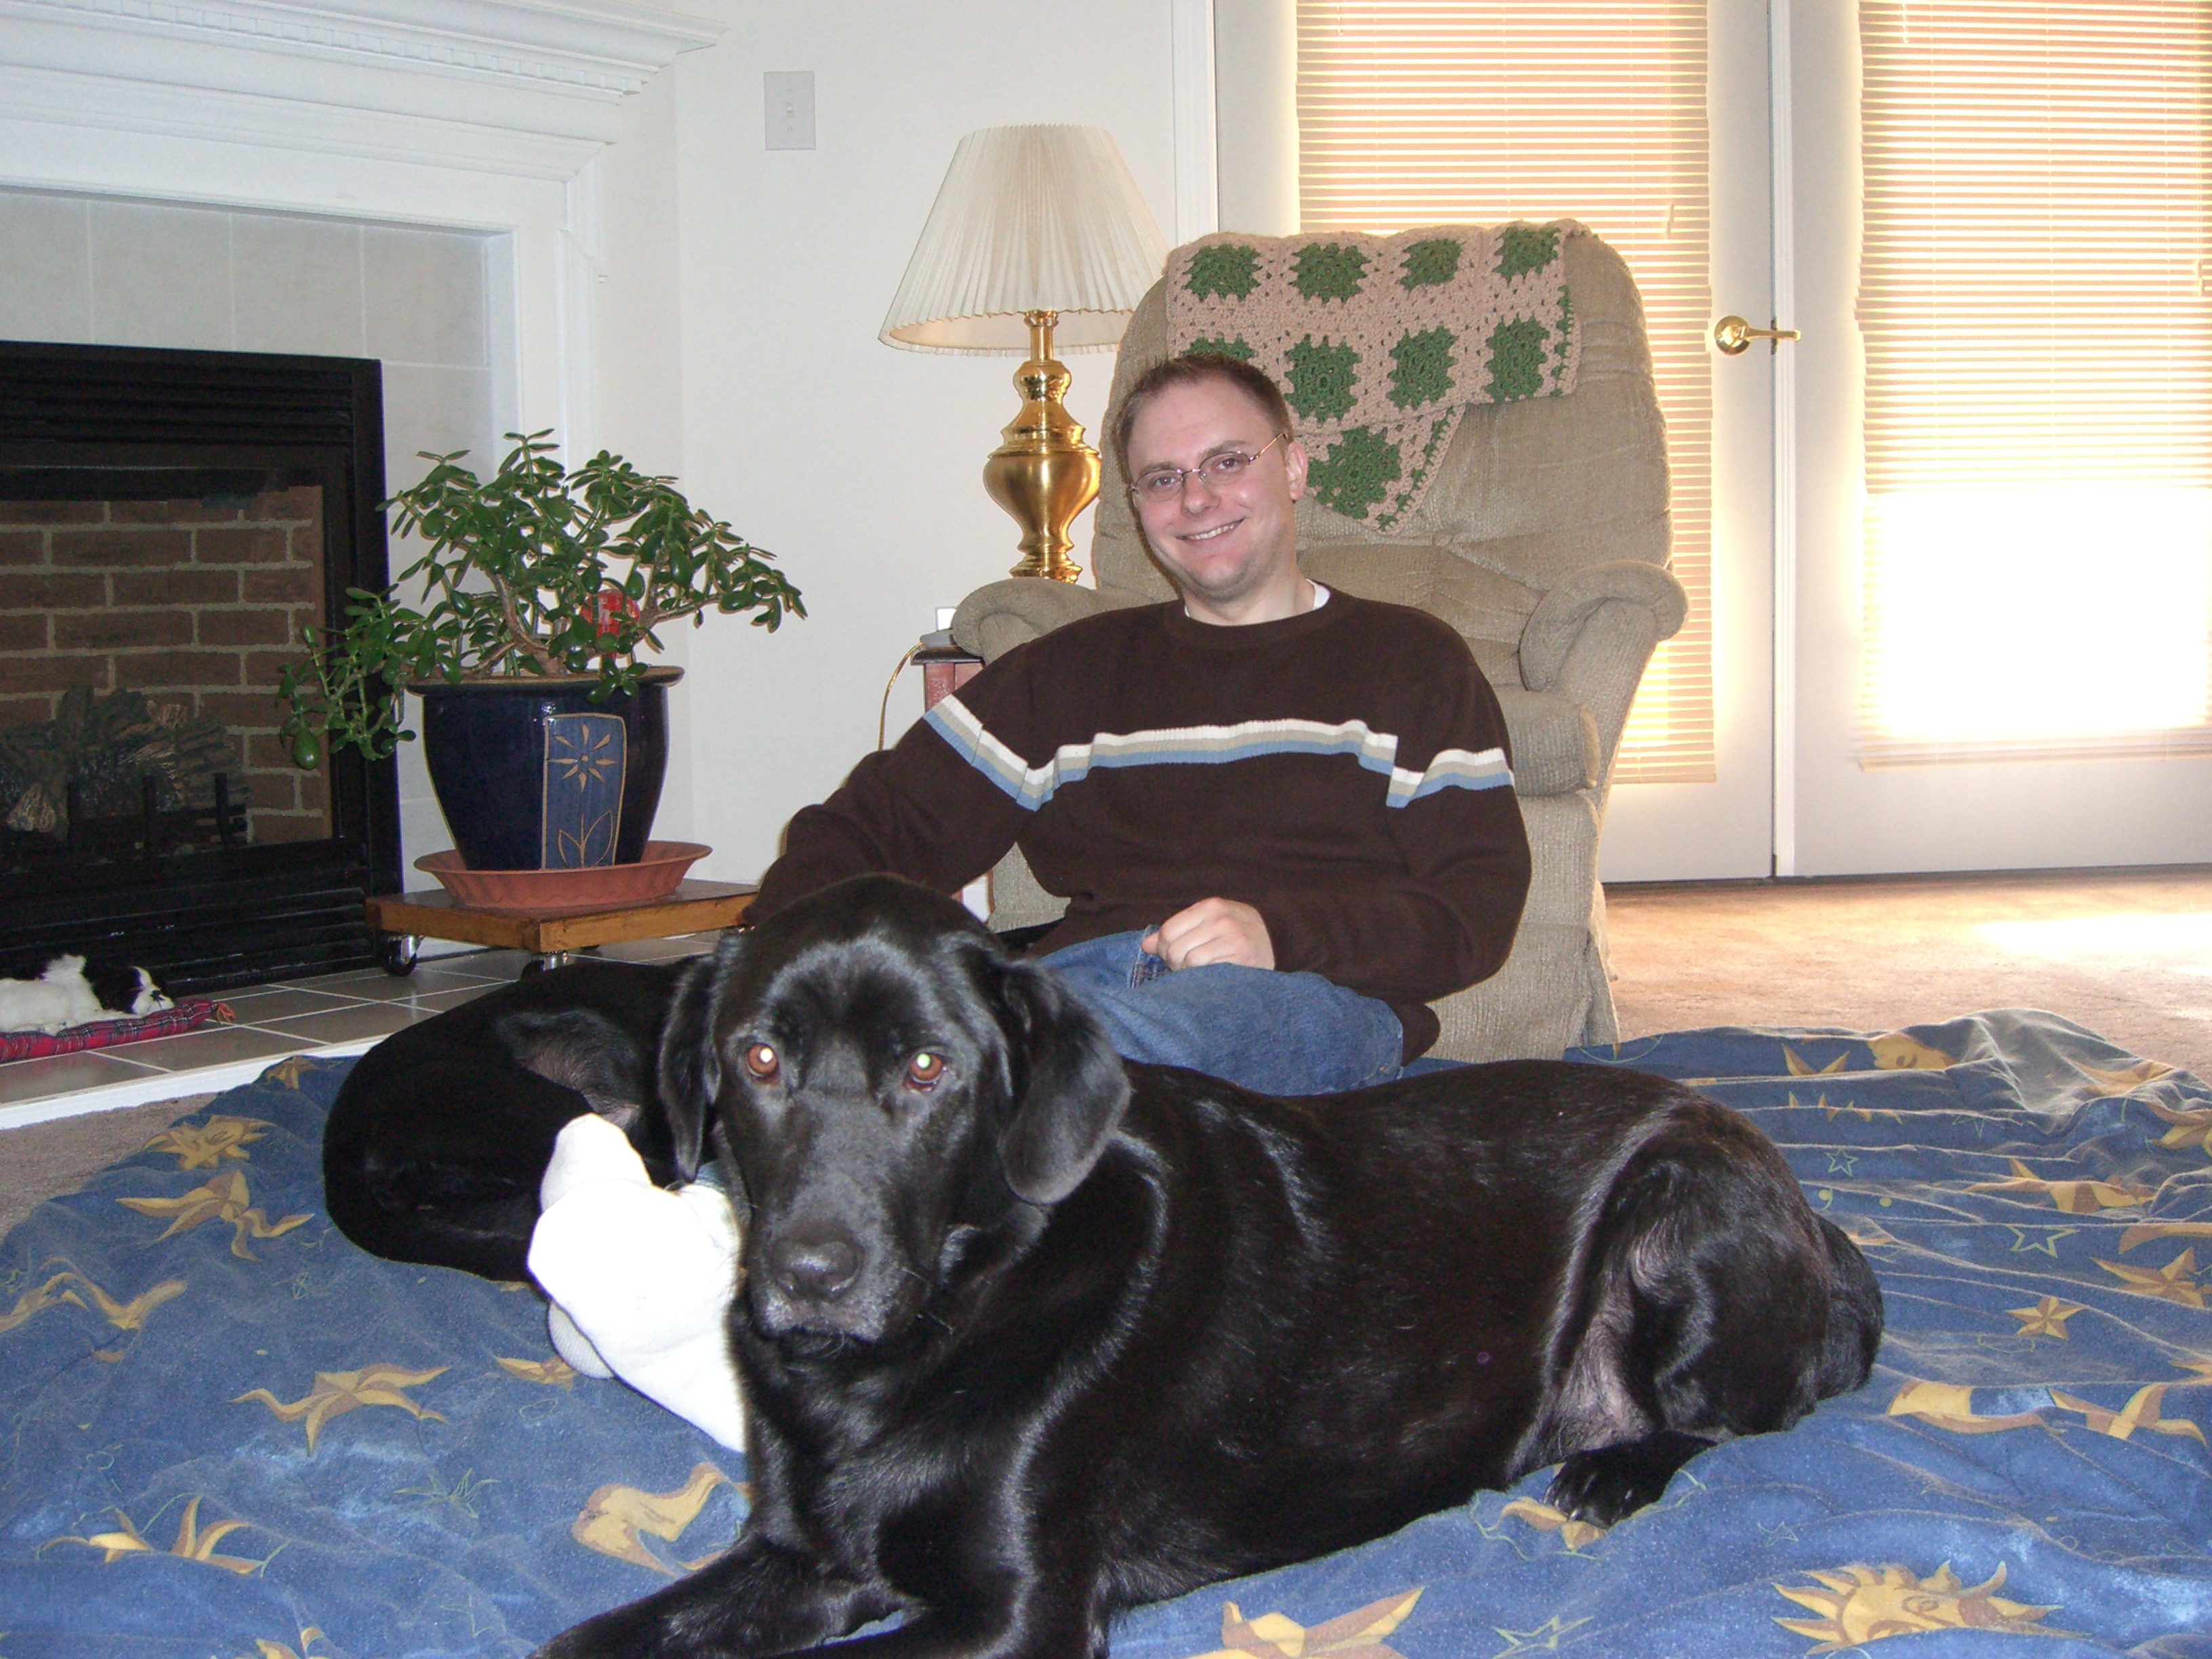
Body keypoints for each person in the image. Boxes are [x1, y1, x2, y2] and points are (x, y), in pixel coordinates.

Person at [749, 353, 1531, 1094]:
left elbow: (1475, 911)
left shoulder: (1411, 660)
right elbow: (871, 828)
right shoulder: (1067, 671)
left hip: (1301, 998)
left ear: (1292, 467)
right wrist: (773, 972)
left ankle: (998, 1092)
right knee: (968, 1047)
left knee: (1044, 1062)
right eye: (1163, 478)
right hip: (1081, 987)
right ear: (1137, 505)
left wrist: (1279, 934)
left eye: (1228, 462)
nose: (1196, 499)